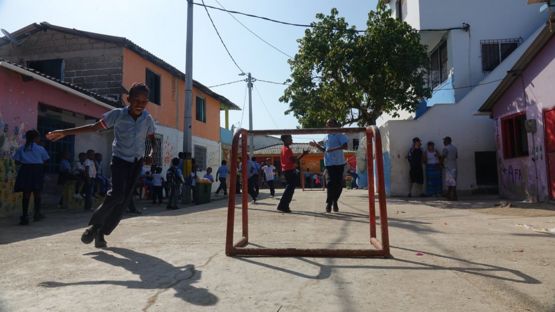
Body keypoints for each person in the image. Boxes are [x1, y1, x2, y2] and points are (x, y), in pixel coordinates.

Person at [46, 82, 157, 248]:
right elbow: (94, 127)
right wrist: (65, 132)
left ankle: (101, 234)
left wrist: (151, 154)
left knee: (124, 201)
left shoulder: (147, 118)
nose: (140, 105)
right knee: (117, 195)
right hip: (120, 160)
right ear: (128, 99)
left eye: (144, 102)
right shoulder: (117, 115)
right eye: (136, 100)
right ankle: (94, 226)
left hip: (136, 163)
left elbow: (152, 140)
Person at [310, 119, 348, 213]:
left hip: (339, 163)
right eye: (328, 124)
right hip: (329, 163)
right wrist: (316, 146)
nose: (329, 125)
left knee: (339, 185)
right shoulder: (326, 137)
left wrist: (333, 149)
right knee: (330, 183)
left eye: (331, 123)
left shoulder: (340, 135)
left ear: (336, 125)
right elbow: (325, 150)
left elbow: (345, 146)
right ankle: (329, 203)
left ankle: (335, 201)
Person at [13, 130, 49, 225]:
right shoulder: (40, 149)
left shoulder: (22, 148)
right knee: (37, 193)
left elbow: (16, 162)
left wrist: (26, 162)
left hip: (25, 170)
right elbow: (46, 160)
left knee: (26, 193)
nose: (39, 139)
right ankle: (37, 214)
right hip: (37, 170)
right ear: (35, 138)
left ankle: (25, 216)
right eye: (38, 137)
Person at [277, 134, 309, 213]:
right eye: (290, 138)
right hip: (289, 170)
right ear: (285, 140)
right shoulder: (287, 150)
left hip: (287, 170)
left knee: (290, 188)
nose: (291, 139)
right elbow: (294, 161)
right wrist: (303, 154)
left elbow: (292, 160)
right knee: (290, 189)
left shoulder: (283, 149)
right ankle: (283, 205)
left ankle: (283, 205)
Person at [442, 136, 458, 201]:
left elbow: (443, 156)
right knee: (452, 181)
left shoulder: (445, 148)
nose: (443, 142)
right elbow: (456, 156)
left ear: (447, 141)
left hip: (449, 166)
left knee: (451, 182)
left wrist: (441, 163)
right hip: (454, 165)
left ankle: (454, 196)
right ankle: (448, 194)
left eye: (444, 141)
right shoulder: (455, 148)